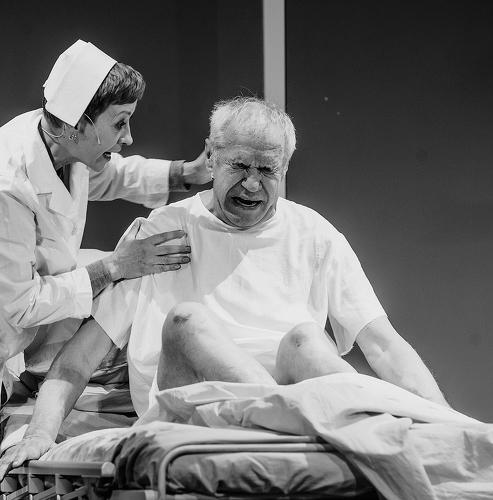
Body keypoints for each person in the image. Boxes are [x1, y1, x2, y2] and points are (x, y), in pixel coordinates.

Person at [0, 97, 449, 477]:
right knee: (187, 321)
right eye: (239, 165)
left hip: (297, 402)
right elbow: (81, 357)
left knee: (306, 340)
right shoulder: (164, 232)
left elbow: (383, 344)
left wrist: (447, 421)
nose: (252, 183)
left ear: (285, 168)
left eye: (267, 170)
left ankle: (371, 429)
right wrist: (39, 433)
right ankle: (298, 425)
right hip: (190, 410)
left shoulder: (314, 233)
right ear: (211, 158)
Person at [0, 39, 210, 409]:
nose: (128, 137)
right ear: (78, 125)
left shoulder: (60, 141)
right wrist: (113, 267)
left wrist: (185, 173)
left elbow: (111, 175)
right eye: (119, 123)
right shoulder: (9, 185)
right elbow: (21, 305)